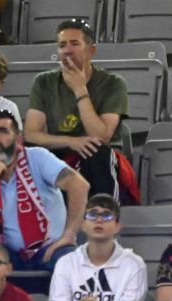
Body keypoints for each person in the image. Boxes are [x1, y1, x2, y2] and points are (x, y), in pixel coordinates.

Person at [0, 109, 88, 284]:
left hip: (49, 249)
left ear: (18, 138)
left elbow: (79, 185)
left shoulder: (38, 157)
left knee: (71, 259)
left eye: (2, 131)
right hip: (3, 254)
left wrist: (69, 234)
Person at [24, 17, 128, 200]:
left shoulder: (113, 83)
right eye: (62, 45)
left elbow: (101, 136)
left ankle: (102, 215)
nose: (67, 51)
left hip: (101, 160)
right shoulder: (43, 82)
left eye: (74, 44)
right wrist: (71, 142)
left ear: (91, 51)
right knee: (33, 154)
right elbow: (31, 134)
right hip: (63, 155)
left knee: (95, 150)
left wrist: (80, 89)